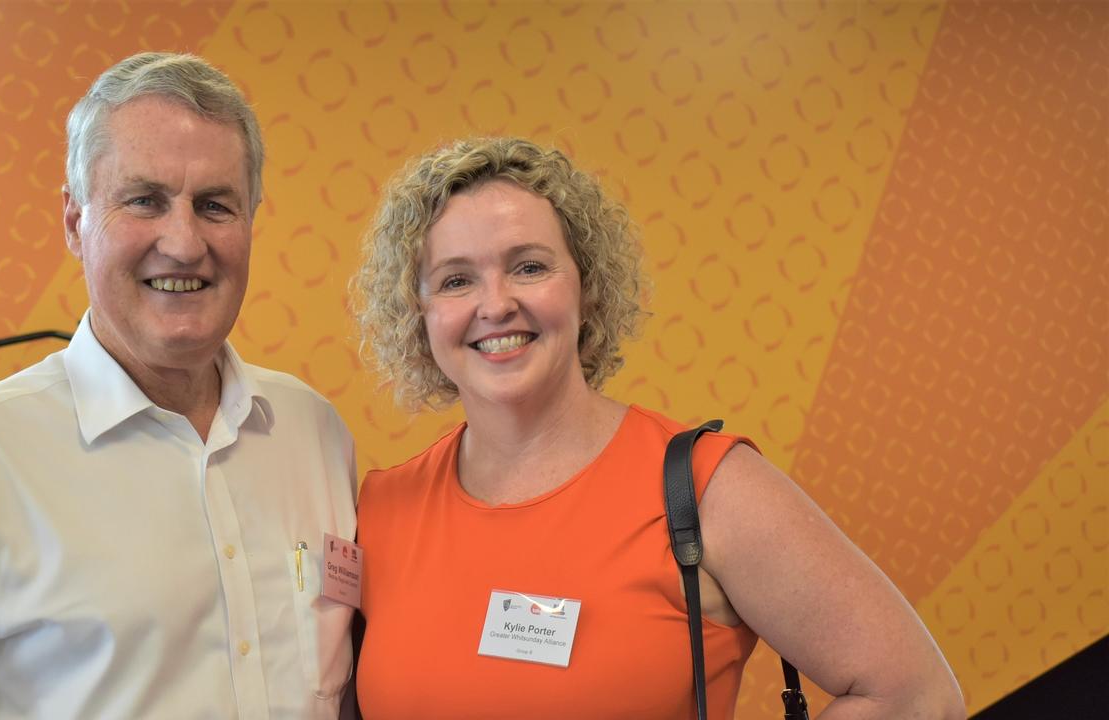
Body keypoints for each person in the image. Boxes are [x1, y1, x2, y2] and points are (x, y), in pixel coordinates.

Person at [350, 137, 966, 719]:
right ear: (419, 314)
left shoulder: (702, 489)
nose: (496, 303)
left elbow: (916, 696)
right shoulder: (383, 509)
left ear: (586, 287)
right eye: (457, 280)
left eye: (530, 267)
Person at [0, 53, 357, 719]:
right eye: (144, 200)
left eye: (215, 205)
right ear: (74, 223)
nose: (184, 242)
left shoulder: (314, 434)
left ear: (251, 221)